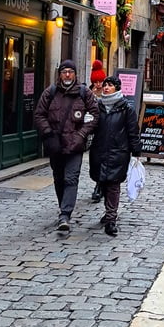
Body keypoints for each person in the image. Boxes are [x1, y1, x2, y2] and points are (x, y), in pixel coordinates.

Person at [35, 60, 99, 233]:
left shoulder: (84, 93)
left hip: (75, 144)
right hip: (56, 144)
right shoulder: (51, 92)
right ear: (60, 74)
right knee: (59, 178)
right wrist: (48, 134)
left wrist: (82, 134)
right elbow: (39, 114)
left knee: (71, 178)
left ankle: (65, 214)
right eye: (65, 72)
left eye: (71, 71)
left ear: (75, 74)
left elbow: (94, 115)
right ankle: (64, 205)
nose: (68, 75)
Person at [88, 76, 141, 237]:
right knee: (103, 182)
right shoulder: (98, 106)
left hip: (118, 151)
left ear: (117, 88)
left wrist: (136, 151)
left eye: (110, 85)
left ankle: (111, 218)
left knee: (113, 184)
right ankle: (108, 212)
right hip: (99, 150)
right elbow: (92, 127)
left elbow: (133, 131)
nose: (106, 88)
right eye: (105, 85)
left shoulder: (126, 108)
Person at [89, 59, 107, 202]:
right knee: (95, 161)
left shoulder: (108, 93)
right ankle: (98, 183)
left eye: (100, 81)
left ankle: (99, 187)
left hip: (106, 132)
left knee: (103, 161)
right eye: (96, 82)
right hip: (93, 132)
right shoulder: (88, 93)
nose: (98, 84)